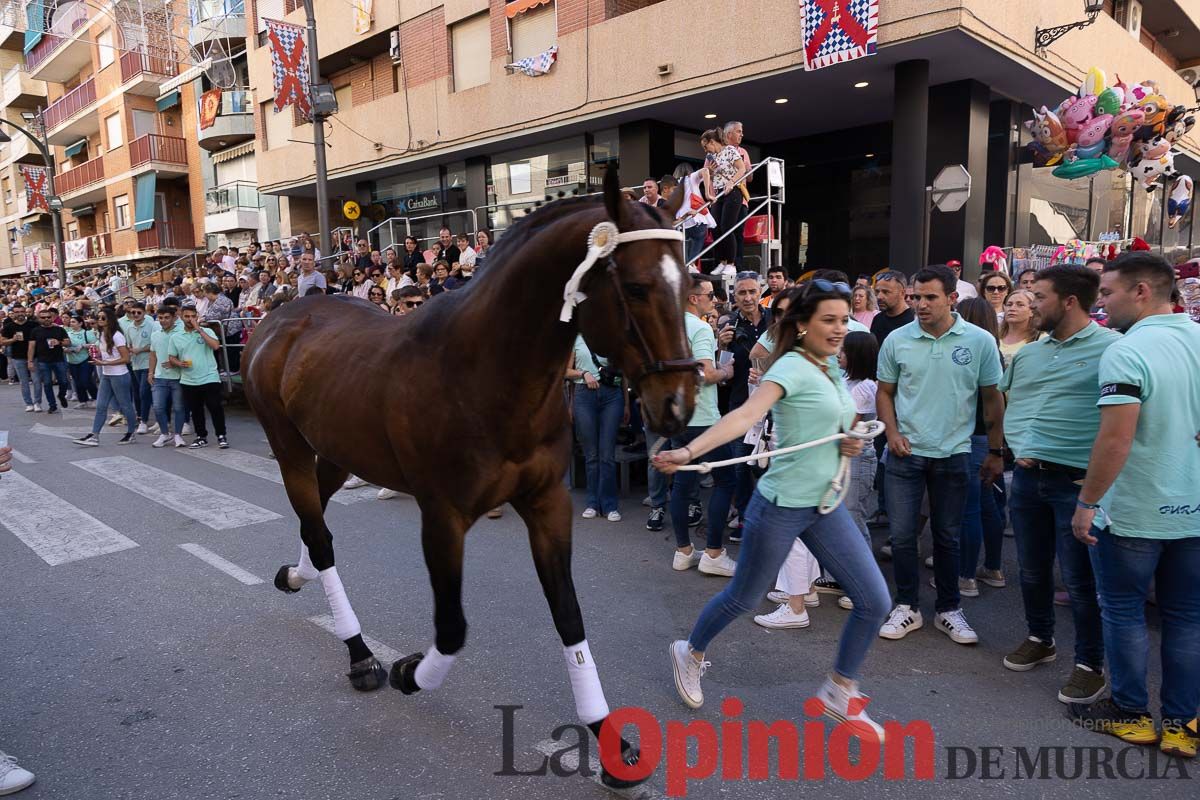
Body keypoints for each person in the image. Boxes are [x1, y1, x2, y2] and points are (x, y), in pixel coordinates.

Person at [658, 279, 892, 736]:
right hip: (782, 504)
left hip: (824, 505)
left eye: (844, 319)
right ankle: (690, 650)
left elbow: (824, 426)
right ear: (802, 325)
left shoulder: (829, 369)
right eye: (829, 319)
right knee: (742, 598)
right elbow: (744, 415)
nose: (840, 328)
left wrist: (846, 442)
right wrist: (689, 453)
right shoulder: (791, 367)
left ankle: (839, 690)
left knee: (874, 601)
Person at [1068, 252, 1200, 759]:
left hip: (1136, 511)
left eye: (1107, 293)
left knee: (1122, 611)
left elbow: (1115, 440)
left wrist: (1087, 503)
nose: (1101, 303)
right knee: (1186, 617)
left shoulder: (1126, 351)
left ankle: (1131, 715)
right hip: (1192, 507)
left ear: (1142, 291)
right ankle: (1182, 724)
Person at [999, 265, 1116, 707]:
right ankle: (1041, 638)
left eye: (1040, 296)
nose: (1030, 304)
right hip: (1030, 478)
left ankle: (1090, 664)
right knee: (1031, 569)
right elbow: (1015, 400)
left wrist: (1098, 476)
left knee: (1080, 579)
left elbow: (1124, 417)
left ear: (1069, 301)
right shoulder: (1031, 352)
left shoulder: (1113, 348)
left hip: (1078, 483)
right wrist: (1017, 445)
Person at [876, 265, 1005, 646]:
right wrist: (893, 432)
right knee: (901, 537)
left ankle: (949, 609)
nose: (920, 304)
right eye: (916, 297)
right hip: (905, 454)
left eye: (930, 297)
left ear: (952, 298)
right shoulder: (897, 340)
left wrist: (996, 450)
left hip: (955, 453)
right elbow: (884, 392)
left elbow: (992, 398)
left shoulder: (979, 341)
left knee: (948, 537)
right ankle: (907, 607)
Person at [669, 275, 738, 576]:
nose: (715, 300)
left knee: (683, 484)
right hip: (704, 417)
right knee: (726, 481)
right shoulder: (699, 328)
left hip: (677, 416)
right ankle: (713, 552)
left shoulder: (668, 328)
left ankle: (683, 550)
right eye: (711, 295)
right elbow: (705, 373)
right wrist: (726, 370)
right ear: (694, 298)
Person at [954, 298, 1008, 598]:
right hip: (989, 438)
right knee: (988, 504)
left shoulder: (969, 350)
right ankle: (994, 567)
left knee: (969, 509)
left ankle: (965, 576)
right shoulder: (994, 352)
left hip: (969, 435)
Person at [716, 272, 772, 535]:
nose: (748, 297)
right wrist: (721, 346)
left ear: (760, 292)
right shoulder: (729, 326)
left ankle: (769, 519)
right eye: (742, 293)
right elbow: (721, 371)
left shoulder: (775, 320)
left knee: (769, 465)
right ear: (734, 295)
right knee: (740, 466)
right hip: (740, 403)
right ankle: (746, 518)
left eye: (752, 291)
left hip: (773, 404)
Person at [567, 335, 625, 521]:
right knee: (591, 454)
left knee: (607, 454)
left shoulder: (611, 337)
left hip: (612, 395)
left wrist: (626, 405)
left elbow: (622, 374)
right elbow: (565, 371)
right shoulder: (576, 338)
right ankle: (592, 502)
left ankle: (609, 505)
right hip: (584, 394)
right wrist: (583, 373)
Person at [73, 306, 137, 447]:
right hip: (107, 374)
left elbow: (126, 358)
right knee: (101, 406)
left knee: (126, 405)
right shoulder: (102, 334)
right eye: (99, 317)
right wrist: (99, 357)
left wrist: (104, 362)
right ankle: (94, 436)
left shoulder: (116, 336)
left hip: (119, 375)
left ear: (110, 320)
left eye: (103, 318)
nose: (100, 320)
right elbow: (107, 355)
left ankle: (131, 432)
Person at [169, 306, 227, 450]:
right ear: (181, 317)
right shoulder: (176, 336)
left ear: (197, 316)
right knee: (196, 409)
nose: (190, 319)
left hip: (209, 376)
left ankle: (221, 435)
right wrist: (179, 363)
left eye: (193, 316)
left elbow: (215, 346)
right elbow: (171, 357)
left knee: (215, 407)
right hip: (189, 378)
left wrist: (199, 329)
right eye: (187, 316)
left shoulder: (207, 331)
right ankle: (201, 436)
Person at [700, 128, 746, 277]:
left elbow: (742, 168)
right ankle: (722, 261)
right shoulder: (713, 156)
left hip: (733, 191)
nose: (706, 150)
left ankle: (731, 263)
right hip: (719, 192)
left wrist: (732, 182)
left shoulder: (730, 150)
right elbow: (712, 177)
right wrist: (712, 173)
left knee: (727, 226)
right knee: (715, 227)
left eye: (706, 146)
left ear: (712, 142)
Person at [147, 304, 188, 449]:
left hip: (178, 377)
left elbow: (188, 354)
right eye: (160, 318)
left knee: (178, 408)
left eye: (166, 318)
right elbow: (153, 354)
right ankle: (165, 434)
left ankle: (178, 435)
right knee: (158, 407)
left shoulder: (181, 332)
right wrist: (150, 372)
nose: (163, 320)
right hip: (159, 377)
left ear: (174, 318)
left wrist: (175, 363)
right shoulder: (155, 334)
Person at [119, 302, 159, 435]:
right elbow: (129, 344)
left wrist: (140, 349)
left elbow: (155, 345)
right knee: (140, 393)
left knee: (143, 392)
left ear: (144, 313)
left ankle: (143, 421)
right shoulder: (129, 328)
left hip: (149, 363)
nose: (135, 315)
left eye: (138, 312)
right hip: (135, 364)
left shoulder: (152, 325)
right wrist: (130, 350)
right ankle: (158, 419)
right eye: (133, 312)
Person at [27, 308, 71, 414]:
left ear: (52, 317)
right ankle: (52, 405)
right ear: (39, 318)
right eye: (43, 317)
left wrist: (59, 342)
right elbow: (31, 347)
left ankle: (61, 395)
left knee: (64, 381)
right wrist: (30, 361)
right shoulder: (35, 331)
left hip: (58, 359)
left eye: (48, 317)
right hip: (43, 361)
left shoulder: (59, 329)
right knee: (47, 384)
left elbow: (68, 342)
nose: (46, 319)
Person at [0, 304, 40, 411]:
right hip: (17, 357)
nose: (20, 314)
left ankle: (37, 403)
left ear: (25, 312)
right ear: (12, 314)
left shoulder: (33, 325)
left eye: (22, 311)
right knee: (24, 382)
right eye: (17, 312)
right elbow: (2, 341)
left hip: (34, 357)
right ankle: (29, 403)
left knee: (36, 380)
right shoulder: (8, 327)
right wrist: (12, 340)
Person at [868, 271, 914, 345]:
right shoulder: (877, 319)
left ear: (902, 293)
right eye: (877, 291)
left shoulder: (913, 322)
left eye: (886, 292)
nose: (879, 297)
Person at [998, 289, 1040, 366]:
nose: (1012, 308)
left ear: (1032, 311)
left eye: (1020, 305)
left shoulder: (1041, 339)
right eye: (1009, 304)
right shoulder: (994, 337)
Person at [64, 314, 97, 408]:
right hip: (71, 360)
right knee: (77, 381)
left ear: (80, 323)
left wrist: (82, 346)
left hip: (85, 359)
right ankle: (83, 400)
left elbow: (94, 344)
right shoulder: (67, 333)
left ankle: (95, 397)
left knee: (85, 380)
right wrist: (66, 349)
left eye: (74, 322)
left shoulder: (86, 333)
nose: (71, 323)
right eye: (71, 322)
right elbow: (62, 344)